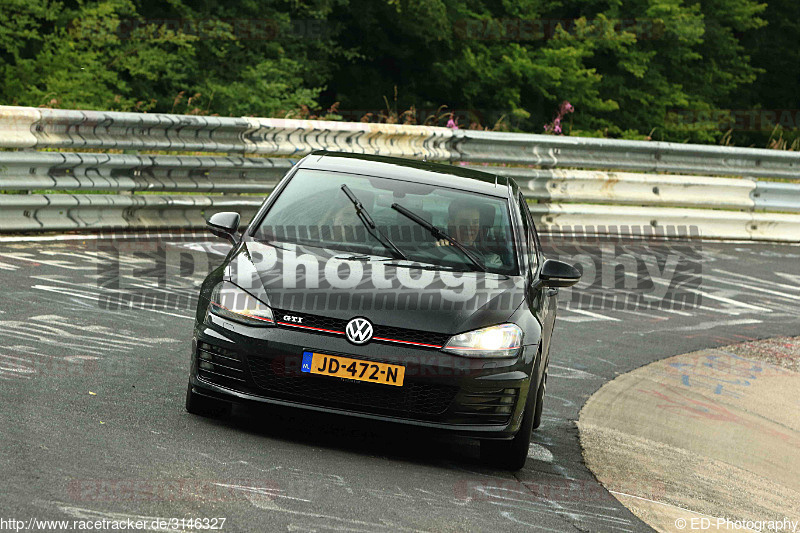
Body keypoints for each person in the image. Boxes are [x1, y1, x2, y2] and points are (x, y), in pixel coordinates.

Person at [435, 198, 503, 269]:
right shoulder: (437, 248)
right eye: (464, 222)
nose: (470, 228)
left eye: (475, 222)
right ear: (451, 223)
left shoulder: (491, 260)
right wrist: (438, 250)